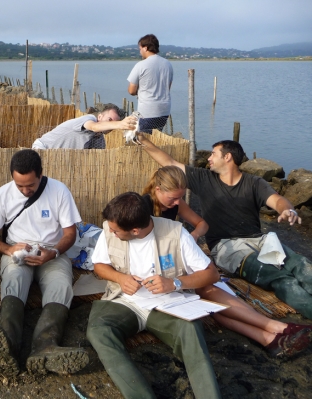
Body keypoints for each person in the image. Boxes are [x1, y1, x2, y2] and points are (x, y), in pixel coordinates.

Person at [143, 166, 312, 357]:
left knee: (214, 307)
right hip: (157, 269)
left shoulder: (175, 204)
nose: (176, 203)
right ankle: (279, 328)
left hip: (172, 261)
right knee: (209, 291)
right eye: (172, 198)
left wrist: (193, 235)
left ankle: (271, 340)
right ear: (157, 189)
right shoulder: (143, 209)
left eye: (180, 198)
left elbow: (202, 224)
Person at [138, 134, 312, 320]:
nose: (208, 158)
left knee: (301, 263)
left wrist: (287, 210)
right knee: (280, 278)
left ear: (227, 157)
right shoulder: (204, 178)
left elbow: (277, 200)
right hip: (226, 247)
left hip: (260, 240)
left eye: (213, 154)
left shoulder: (254, 183)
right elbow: (169, 162)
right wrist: (145, 142)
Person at [86, 192, 221, 399]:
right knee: (98, 331)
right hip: (124, 302)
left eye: (115, 231)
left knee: (191, 330)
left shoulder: (176, 234)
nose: (110, 232)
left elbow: (211, 274)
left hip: (168, 305)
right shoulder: (109, 229)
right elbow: (99, 266)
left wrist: (174, 283)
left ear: (135, 230)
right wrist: (120, 278)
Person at [0, 149, 88, 376]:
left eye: (30, 185)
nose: (25, 190)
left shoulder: (59, 191)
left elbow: (70, 234)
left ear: (40, 175)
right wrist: (9, 249)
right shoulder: (2, 194)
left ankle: (45, 346)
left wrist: (54, 253)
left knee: (61, 285)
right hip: (17, 252)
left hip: (52, 252)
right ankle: (8, 344)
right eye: (19, 185)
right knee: (14, 279)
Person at [31, 103, 137, 149]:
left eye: (114, 122)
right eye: (109, 120)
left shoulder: (99, 139)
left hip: (58, 157)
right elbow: (94, 127)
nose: (111, 125)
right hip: (43, 148)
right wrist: (119, 124)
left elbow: (97, 158)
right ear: (99, 116)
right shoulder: (88, 119)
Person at [127, 34, 173, 134]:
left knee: (144, 141)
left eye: (140, 48)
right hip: (164, 111)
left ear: (146, 48)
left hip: (147, 111)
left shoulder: (141, 65)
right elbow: (167, 88)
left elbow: (131, 90)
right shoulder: (168, 64)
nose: (140, 52)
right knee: (156, 137)